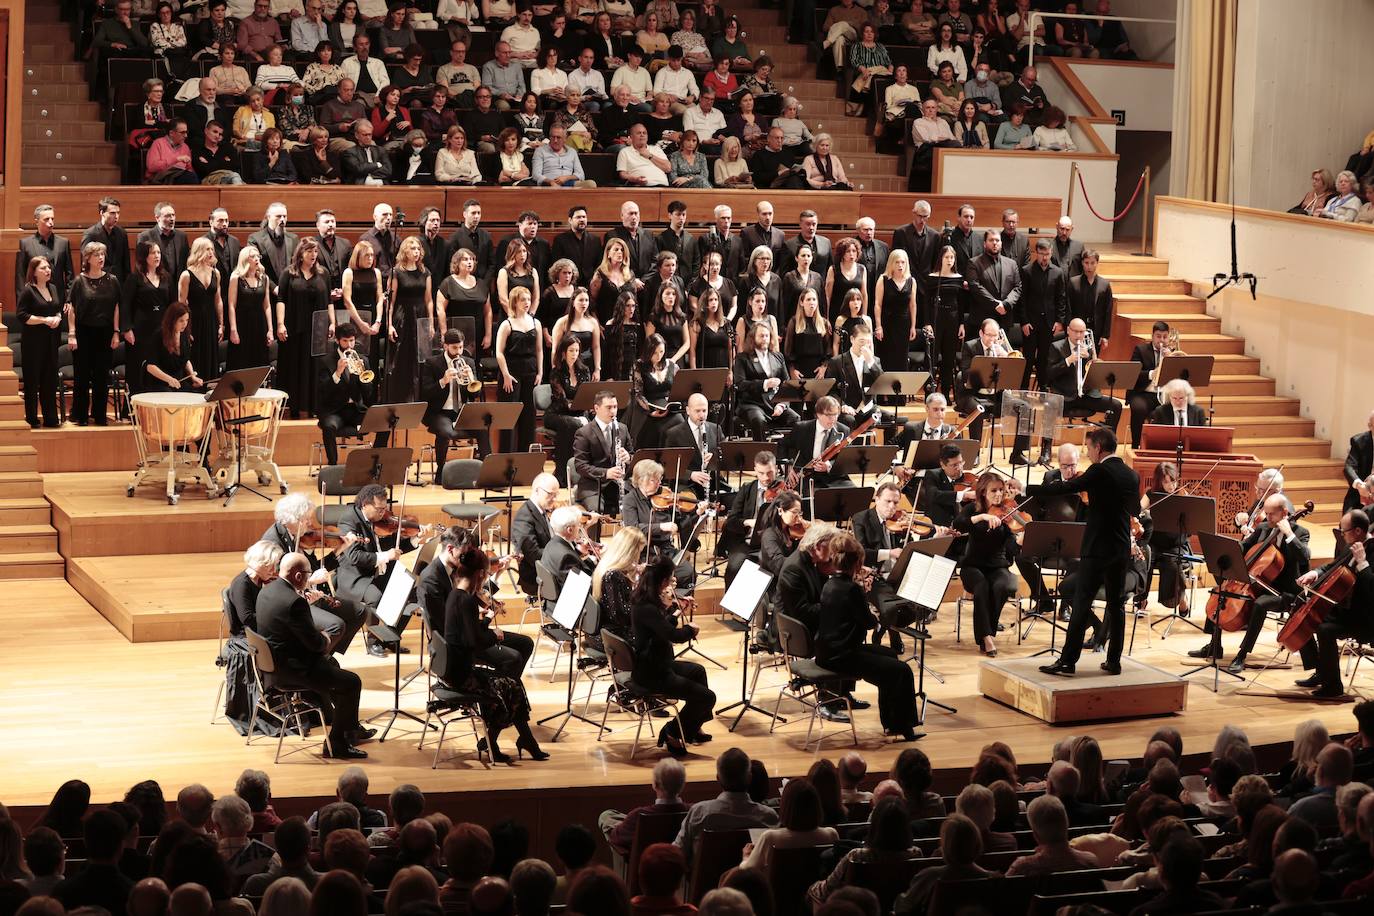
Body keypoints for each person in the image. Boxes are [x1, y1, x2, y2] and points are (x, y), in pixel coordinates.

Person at [1038, 426, 1142, 676]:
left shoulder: (1099, 470)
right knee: (1116, 606)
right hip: (1119, 549)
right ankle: (1114, 661)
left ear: (1098, 447)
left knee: (1082, 602)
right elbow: (1134, 511)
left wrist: (1027, 490)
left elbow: (1067, 487)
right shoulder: (1131, 474)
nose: (1088, 453)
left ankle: (1067, 661)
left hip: (1096, 549)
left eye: (1088, 448)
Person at [440, 546, 547, 763]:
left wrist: (487, 619)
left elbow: (469, 635)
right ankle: (499, 741)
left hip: (453, 669)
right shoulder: (467, 600)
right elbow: (475, 643)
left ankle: (514, 741)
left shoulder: (455, 594)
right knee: (511, 686)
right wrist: (495, 635)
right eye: (487, 574)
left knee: (511, 684)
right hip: (462, 676)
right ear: (480, 573)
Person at [256, 553, 368, 758]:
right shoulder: (294, 602)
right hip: (294, 670)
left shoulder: (267, 590)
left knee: (336, 673)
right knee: (352, 682)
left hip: (272, 665)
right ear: (298, 576)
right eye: (308, 574)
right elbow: (316, 644)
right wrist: (326, 636)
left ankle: (348, 730)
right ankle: (338, 745)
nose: (309, 579)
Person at [629, 555, 716, 756]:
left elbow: (661, 628)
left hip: (657, 664)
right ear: (662, 581)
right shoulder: (647, 607)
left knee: (697, 671)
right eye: (670, 578)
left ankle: (693, 728)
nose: (672, 582)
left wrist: (677, 611)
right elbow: (673, 636)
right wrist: (690, 630)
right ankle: (672, 731)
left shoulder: (644, 600)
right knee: (708, 698)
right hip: (653, 674)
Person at [1291, 510, 1374, 698]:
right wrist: (1315, 573)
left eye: (1344, 531)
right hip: (1345, 610)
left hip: (1365, 618)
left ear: (1359, 531)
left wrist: (1362, 563)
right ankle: (1322, 670)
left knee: (1325, 629)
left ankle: (1333, 686)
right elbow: (1332, 566)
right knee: (1301, 610)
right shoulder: (1350, 545)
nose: (1341, 534)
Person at [850, 481, 923, 653]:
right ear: (877, 499)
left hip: (896, 574)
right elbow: (861, 552)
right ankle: (882, 632)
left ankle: (889, 629)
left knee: (919, 608)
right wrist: (889, 553)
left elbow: (909, 549)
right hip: (872, 576)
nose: (892, 507)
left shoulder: (899, 521)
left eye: (895, 502)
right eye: (887, 501)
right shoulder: (861, 518)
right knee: (890, 608)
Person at [674, 748, 778, 858]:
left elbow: (677, 854)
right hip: (752, 875)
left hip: (706, 875)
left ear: (718, 779)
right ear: (749, 778)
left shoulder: (699, 812)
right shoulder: (769, 817)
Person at [422, 329, 481, 481]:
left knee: (484, 427)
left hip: (462, 411)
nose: (459, 352)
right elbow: (424, 392)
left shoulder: (468, 362)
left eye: (461, 347)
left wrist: (470, 378)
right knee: (446, 432)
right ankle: (441, 472)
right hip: (439, 412)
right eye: (455, 348)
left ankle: (486, 472)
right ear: (445, 346)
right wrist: (443, 381)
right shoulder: (432, 363)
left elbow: (475, 395)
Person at [495, 286, 543, 452]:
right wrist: (506, 375)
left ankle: (525, 458)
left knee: (529, 417)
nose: (527, 303)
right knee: (509, 417)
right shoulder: (507, 324)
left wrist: (540, 372)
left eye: (529, 299)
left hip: (530, 370)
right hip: (511, 372)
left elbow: (539, 350)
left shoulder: (535, 322)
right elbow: (499, 353)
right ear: (515, 302)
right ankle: (505, 460)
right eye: (523, 299)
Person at [16, 257, 63, 428]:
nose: (48, 270)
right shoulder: (28, 291)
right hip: (33, 343)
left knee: (49, 381)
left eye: (48, 267)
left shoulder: (53, 288)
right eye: (43, 268)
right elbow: (22, 315)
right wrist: (45, 320)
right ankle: (32, 418)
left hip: (51, 342)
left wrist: (58, 317)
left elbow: (58, 309)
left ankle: (50, 418)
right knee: (32, 381)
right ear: (34, 271)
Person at [733, 319, 796, 441]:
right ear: (753, 338)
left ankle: (785, 454)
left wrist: (782, 405)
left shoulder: (778, 356)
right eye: (761, 336)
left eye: (767, 335)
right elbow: (740, 384)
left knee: (795, 419)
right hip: (752, 404)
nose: (765, 338)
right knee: (758, 420)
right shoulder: (743, 358)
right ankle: (761, 455)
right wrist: (764, 384)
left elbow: (787, 385)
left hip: (774, 403)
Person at [573, 389, 632, 514]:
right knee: (598, 510)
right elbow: (580, 466)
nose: (613, 411)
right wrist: (606, 473)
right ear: (596, 408)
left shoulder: (622, 429)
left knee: (635, 507)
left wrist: (628, 458)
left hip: (619, 484)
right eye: (608, 407)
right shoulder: (584, 433)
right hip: (593, 486)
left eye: (615, 407)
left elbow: (632, 455)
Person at [545, 333, 591, 485]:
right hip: (556, 413)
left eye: (577, 351)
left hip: (578, 414)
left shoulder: (584, 371)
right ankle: (562, 473)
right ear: (563, 352)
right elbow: (561, 399)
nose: (574, 354)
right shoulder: (556, 372)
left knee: (590, 424)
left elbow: (587, 394)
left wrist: (585, 411)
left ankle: (582, 473)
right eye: (571, 350)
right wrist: (577, 412)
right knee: (571, 424)